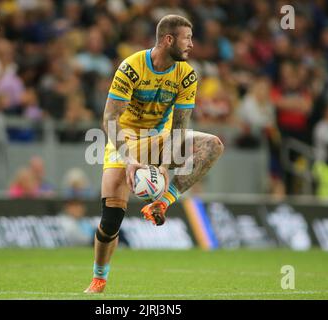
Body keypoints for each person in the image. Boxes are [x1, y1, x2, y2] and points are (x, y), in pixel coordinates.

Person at [84, 15, 224, 294]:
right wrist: (130, 159)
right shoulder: (131, 67)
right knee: (111, 222)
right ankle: (99, 279)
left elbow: (181, 127)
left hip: (160, 138)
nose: (192, 45)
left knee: (213, 145)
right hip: (125, 138)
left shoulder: (187, 74)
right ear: (168, 39)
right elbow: (110, 118)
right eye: (187, 38)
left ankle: (163, 202)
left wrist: (162, 166)